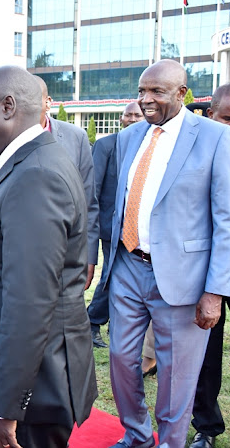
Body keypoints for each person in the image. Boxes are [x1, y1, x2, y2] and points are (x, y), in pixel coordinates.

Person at [0, 65, 97, 448]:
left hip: (27, 391)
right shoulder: (25, 162)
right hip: (2, 365)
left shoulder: (36, 173)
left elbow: (30, 302)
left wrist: (5, 406)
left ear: (9, 106)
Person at [101, 60, 230, 448]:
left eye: (157, 92)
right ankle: (137, 435)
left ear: (182, 94)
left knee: (176, 374)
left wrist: (215, 291)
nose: (146, 99)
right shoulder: (130, 137)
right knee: (121, 359)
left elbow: (228, 220)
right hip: (129, 265)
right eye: (142, 91)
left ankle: (170, 443)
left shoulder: (215, 137)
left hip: (185, 277)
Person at [189, 83, 230, 448]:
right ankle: (206, 428)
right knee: (204, 354)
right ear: (211, 114)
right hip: (202, 268)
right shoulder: (194, 146)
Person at [87, 102, 144, 349]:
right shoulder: (106, 144)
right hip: (111, 228)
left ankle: (116, 324)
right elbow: (93, 189)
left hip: (141, 230)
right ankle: (92, 322)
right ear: (121, 119)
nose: (132, 119)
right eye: (128, 115)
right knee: (111, 277)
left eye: (137, 115)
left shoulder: (150, 145)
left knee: (128, 280)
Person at [35, 76, 99, 292]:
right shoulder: (3, 137)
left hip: (67, 253)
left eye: (34, 99)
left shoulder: (76, 138)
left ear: (48, 102)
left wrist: (89, 257)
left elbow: (88, 202)